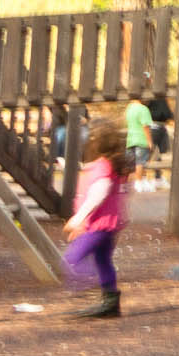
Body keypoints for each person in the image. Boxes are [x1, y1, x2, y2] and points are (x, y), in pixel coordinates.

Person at [61, 118, 130, 320]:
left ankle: (89, 282)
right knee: (103, 260)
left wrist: (78, 219)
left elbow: (98, 195)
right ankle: (111, 302)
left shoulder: (103, 167)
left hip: (99, 225)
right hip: (107, 224)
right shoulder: (110, 164)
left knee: (72, 259)